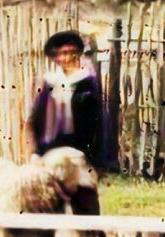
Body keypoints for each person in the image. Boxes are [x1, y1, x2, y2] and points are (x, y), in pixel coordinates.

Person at [24, 29, 105, 162]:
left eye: (68, 53)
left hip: (79, 147)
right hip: (50, 146)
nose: (64, 58)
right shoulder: (49, 82)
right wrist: (37, 150)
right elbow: (38, 117)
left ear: (77, 54)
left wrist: (95, 154)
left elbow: (96, 121)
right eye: (59, 54)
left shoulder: (87, 83)